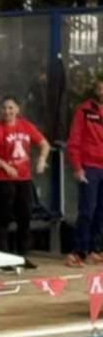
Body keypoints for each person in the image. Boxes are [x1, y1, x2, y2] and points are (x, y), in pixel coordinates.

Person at [0, 96, 49, 261]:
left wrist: (42, 159)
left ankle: (22, 253)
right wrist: (4, 166)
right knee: (4, 216)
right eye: (4, 108)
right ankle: (3, 255)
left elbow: (44, 144)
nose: (7, 111)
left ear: (17, 109)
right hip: (3, 180)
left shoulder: (25, 125)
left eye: (11, 108)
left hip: (24, 178)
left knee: (24, 216)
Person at [65, 75, 103, 265]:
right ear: (95, 88)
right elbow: (75, 140)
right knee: (87, 210)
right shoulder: (85, 110)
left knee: (101, 212)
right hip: (90, 167)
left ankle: (94, 250)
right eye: (100, 87)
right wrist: (78, 167)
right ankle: (78, 252)